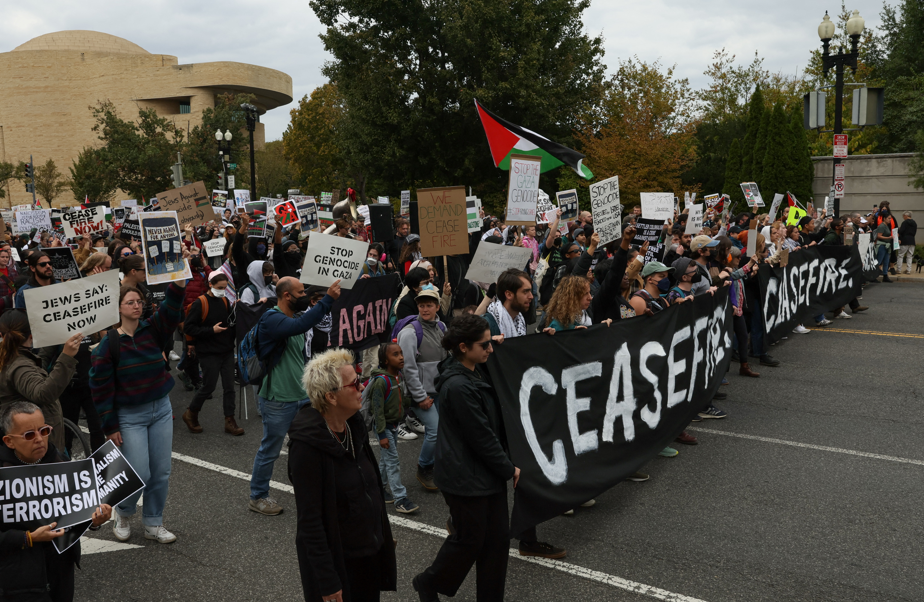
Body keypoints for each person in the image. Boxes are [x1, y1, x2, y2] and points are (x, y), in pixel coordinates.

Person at [413, 315, 519, 602]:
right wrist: (508, 468)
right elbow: (480, 436)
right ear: (463, 347)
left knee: (496, 542)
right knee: (469, 540)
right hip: (464, 476)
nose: (490, 349)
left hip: (485, 472)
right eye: (484, 344)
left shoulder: (471, 366)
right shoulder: (459, 386)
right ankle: (428, 581)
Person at [290, 348, 397, 602]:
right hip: (339, 564)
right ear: (331, 397)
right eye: (355, 383)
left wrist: (381, 534)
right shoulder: (307, 447)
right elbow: (310, 522)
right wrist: (327, 580)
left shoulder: (354, 425)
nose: (362, 387)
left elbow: (370, 489)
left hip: (368, 556)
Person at [90, 279, 187, 544]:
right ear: (118, 308)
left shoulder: (152, 329)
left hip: (161, 410)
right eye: (130, 302)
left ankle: (154, 523)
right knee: (139, 472)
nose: (136, 306)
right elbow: (100, 387)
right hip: (130, 416)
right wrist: (110, 426)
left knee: (161, 471)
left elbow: (171, 309)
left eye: (139, 302)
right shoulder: (108, 345)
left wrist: (178, 285)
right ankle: (122, 512)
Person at [0, 402, 112, 602]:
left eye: (43, 430)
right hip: (18, 578)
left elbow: (72, 512)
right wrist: (28, 537)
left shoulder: (60, 462)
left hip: (61, 568)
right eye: (29, 435)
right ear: (9, 441)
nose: (39, 439)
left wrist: (93, 520)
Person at [248, 277, 340, 516]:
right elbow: (298, 327)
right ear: (287, 295)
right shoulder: (272, 319)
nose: (305, 297)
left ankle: (312, 489)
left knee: (310, 444)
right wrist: (327, 298)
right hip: (278, 398)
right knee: (271, 449)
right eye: (301, 293)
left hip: (302, 396)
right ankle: (258, 496)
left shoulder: (295, 318)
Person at [0, 309, 82, 453]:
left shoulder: (10, 357)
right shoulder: (19, 365)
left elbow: (39, 363)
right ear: (31, 336)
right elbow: (43, 394)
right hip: (40, 447)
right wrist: (67, 356)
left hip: (31, 444)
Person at [396, 288, 447, 493]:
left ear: (437, 307)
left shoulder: (442, 327)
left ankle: (436, 466)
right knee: (434, 431)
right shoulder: (409, 333)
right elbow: (407, 368)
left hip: (439, 391)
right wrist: (420, 397)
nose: (425, 309)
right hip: (421, 395)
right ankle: (424, 467)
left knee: (443, 431)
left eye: (429, 305)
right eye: (421, 305)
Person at [181, 272, 243, 436]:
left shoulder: (224, 300)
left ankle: (230, 420)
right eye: (219, 287)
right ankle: (191, 413)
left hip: (227, 350)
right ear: (210, 285)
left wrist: (237, 309)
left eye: (224, 288)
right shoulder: (200, 303)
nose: (222, 291)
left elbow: (229, 321)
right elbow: (188, 328)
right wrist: (211, 330)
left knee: (230, 387)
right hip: (209, 352)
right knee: (208, 386)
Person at [370, 341, 419, 514]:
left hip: (394, 425)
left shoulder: (399, 376)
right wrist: (382, 433)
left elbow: (403, 400)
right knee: (393, 461)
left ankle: (379, 488)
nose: (401, 357)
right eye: (395, 355)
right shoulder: (381, 382)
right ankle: (400, 499)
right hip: (384, 428)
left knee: (386, 460)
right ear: (384, 361)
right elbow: (377, 410)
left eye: (401, 353)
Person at [873, 213, 894, 283]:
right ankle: (874, 276)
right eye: (888, 218)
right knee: (879, 261)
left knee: (886, 261)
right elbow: (879, 236)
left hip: (886, 245)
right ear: (884, 218)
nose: (890, 220)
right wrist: (889, 238)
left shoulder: (886, 226)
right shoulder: (882, 226)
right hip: (882, 245)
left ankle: (885, 275)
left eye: (890, 218)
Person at [0, 246, 20, 315]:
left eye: (7, 257)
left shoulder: (13, 271)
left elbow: (16, 285)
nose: (5, 259)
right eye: (2, 257)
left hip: (11, 303)